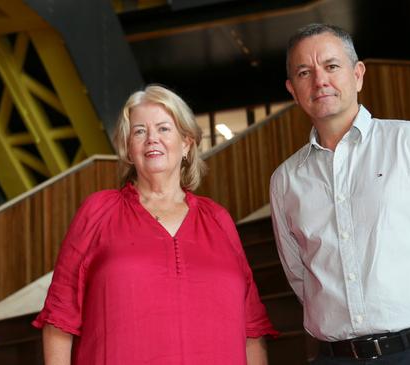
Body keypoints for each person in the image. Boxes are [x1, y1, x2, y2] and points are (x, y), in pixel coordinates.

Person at [33, 85, 277, 364]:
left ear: (186, 143)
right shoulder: (98, 211)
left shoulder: (218, 219)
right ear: (127, 149)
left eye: (163, 128)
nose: (152, 139)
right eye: (139, 131)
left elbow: (252, 328)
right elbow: (60, 318)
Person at [270, 23, 410, 364]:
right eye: (305, 72)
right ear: (292, 89)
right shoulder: (285, 180)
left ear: (357, 75)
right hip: (339, 357)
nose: (320, 81)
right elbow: (300, 276)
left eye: (331, 66)